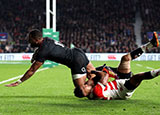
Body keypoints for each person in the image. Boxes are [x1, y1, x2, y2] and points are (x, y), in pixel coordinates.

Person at [5, 29, 96, 96]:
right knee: (94, 77)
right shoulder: (47, 39)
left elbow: (32, 70)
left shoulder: (43, 52)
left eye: (30, 39)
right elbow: (39, 49)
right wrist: (34, 55)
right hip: (78, 52)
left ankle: (100, 94)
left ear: (36, 40)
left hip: (75, 61)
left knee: (81, 91)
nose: (29, 42)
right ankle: (104, 85)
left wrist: (19, 81)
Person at [74, 31, 160, 99]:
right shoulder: (96, 92)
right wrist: (93, 71)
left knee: (126, 58)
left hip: (119, 80)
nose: (85, 85)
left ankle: (152, 44)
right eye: (85, 87)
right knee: (138, 77)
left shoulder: (90, 88)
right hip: (123, 90)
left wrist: (92, 76)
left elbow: (97, 78)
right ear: (86, 94)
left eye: (84, 85)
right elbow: (105, 75)